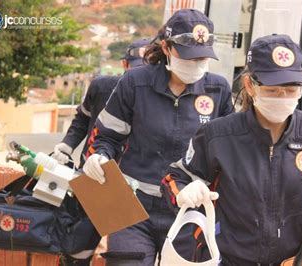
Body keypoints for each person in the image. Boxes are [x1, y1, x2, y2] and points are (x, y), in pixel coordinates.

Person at [161, 34, 302, 265]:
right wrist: (183, 192)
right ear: (250, 85)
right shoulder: (217, 135)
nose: (283, 97)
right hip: (226, 259)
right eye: (272, 90)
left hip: (292, 261)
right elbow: (174, 178)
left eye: (291, 89)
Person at [82, 9, 234, 265]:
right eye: (188, 56)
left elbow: (227, 153)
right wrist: (98, 155)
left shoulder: (218, 90)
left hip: (188, 208)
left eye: (202, 58)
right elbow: (107, 136)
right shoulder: (134, 83)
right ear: (166, 47)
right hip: (131, 206)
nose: (195, 64)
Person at [52, 38, 149, 167]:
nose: (138, 76)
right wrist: (68, 144)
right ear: (125, 64)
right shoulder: (100, 87)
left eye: (145, 70)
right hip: (91, 166)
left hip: (130, 177)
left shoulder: (161, 103)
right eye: (137, 69)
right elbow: (83, 118)